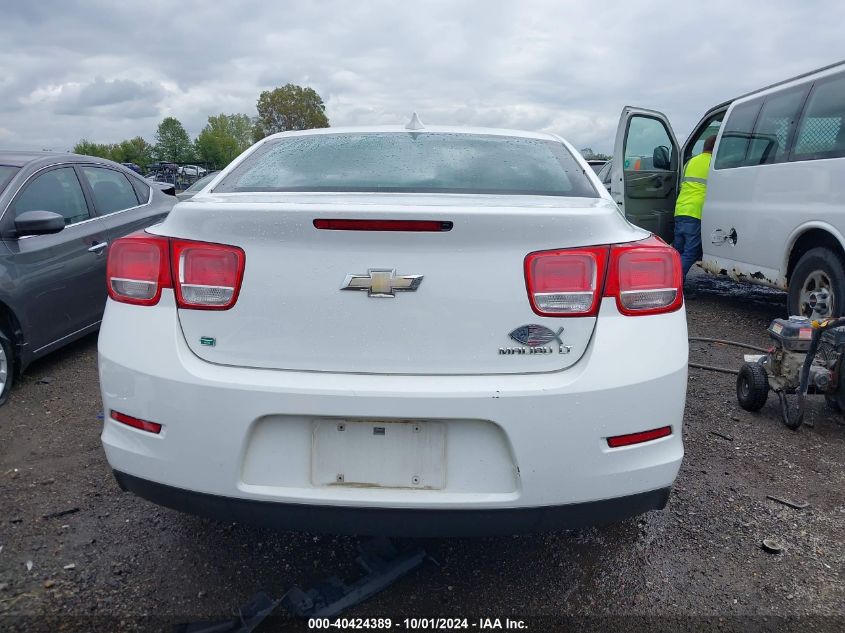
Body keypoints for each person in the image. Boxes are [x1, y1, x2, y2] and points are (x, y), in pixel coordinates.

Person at [674, 135, 716, 284]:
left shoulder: (690, 162)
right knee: (691, 252)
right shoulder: (714, 163)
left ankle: (675, 284)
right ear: (716, 147)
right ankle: (674, 283)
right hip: (696, 212)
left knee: (678, 252)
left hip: (680, 210)